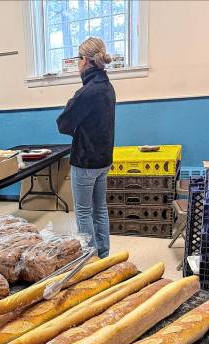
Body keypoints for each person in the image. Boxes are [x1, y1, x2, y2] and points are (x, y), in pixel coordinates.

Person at [56, 37, 116, 258]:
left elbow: (63, 124)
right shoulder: (108, 87)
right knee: (100, 210)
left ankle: (89, 260)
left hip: (85, 162)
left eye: (78, 59)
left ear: (85, 61)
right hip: (104, 160)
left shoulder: (87, 92)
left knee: (83, 212)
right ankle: (103, 255)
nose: (77, 64)